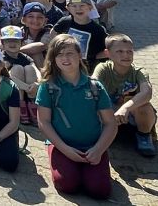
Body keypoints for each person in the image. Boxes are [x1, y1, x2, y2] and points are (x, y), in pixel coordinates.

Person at [36, 34, 117, 199]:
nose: (65, 58)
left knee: (99, 191)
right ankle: (54, 153)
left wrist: (99, 150)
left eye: (70, 53)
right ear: (53, 58)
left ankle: (92, 168)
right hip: (63, 145)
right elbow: (43, 122)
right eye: (59, 54)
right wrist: (65, 149)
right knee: (67, 185)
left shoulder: (95, 86)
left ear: (80, 55)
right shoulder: (48, 87)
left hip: (93, 146)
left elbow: (110, 124)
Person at [92, 33, 157, 157]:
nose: (126, 55)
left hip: (132, 117)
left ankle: (144, 135)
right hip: (109, 117)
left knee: (144, 105)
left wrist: (125, 108)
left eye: (129, 51)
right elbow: (93, 84)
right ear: (108, 53)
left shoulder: (138, 71)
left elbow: (147, 92)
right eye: (120, 51)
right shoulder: (103, 68)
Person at [52, 0, 109, 67]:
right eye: (74, 6)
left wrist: (92, 57)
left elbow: (105, 51)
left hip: (86, 67)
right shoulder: (65, 21)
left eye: (82, 5)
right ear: (68, 8)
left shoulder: (97, 29)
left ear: (90, 7)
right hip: (65, 63)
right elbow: (53, 32)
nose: (78, 9)